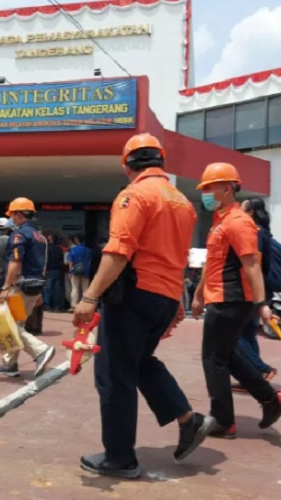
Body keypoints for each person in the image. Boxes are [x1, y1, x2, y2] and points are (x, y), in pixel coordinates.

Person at [72, 133, 213, 480]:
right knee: (139, 363)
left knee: (114, 375)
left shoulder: (134, 195)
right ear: (160, 161)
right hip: (164, 297)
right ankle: (187, 420)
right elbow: (179, 256)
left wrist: (89, 297)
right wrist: (177, 300)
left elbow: (119, 250)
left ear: (127, 165)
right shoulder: (182, 202)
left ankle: (120, 458)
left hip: (134, 297)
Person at [192, 162, 281, 440]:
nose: (206, 193)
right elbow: (212, 264)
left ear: (226, 189)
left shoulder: (238, 223)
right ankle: (272, 399)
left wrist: (262, 304)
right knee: (228, 355)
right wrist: (199, 295)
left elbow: (251, 265)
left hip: (231, 300)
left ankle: (224, 421)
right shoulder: (222, 222)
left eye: (209, 188)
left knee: (213, 359)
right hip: (221, 298)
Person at [0, 197, 56, 378]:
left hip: (20, 286)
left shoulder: (19, 235)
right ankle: (10, 363)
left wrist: (6, 286)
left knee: (7, 325)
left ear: (19, 214)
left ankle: (40, 351)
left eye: (12, 214)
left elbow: (15, 261)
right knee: (16, 324)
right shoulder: (41, 237)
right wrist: (40, 291)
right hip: (35, 285)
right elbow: (43, 265)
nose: (11, 218)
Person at [231, 197, 278, 393]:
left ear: (250, 213)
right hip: (257, 289)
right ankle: (251, 379)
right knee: (248, 335)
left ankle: (261, 369)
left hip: (250, 290)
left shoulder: (255, 233)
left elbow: (253, 264)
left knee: (232, 334)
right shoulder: (264, 233)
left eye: (242, 207)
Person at [67, 233, 92, 311]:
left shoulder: (73, 249)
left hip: (75, 270)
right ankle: (85, 305)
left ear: (76, 239)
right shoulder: (88, 250)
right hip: (86, 271)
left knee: (75, 289)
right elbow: (90, 260)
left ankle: (74, 306)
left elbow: (70, 261)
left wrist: (70, 272)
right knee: (85, 289)